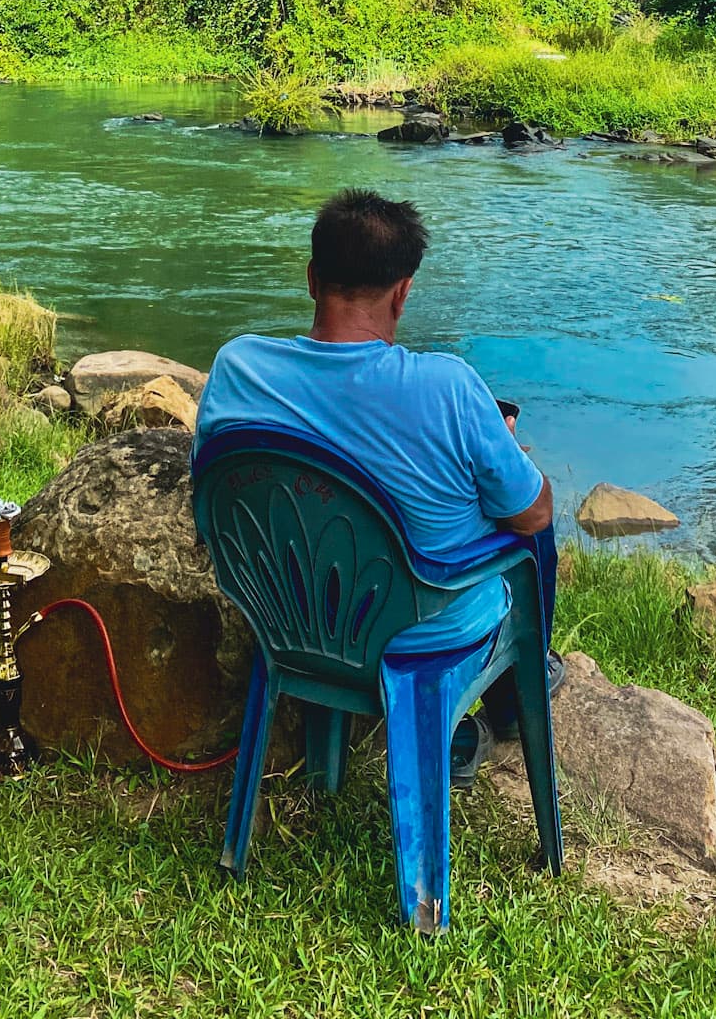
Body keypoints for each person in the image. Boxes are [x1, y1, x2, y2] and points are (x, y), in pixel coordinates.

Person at [193, 185, 562, 784]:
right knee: (526, 527)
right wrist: (497, 445)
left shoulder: (239, 368)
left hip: (287, 614)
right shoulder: (449, 388)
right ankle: (515, 702)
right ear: (403, 292)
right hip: (419, 632)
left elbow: (207, 495)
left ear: (312, 279)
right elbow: (534, 513)